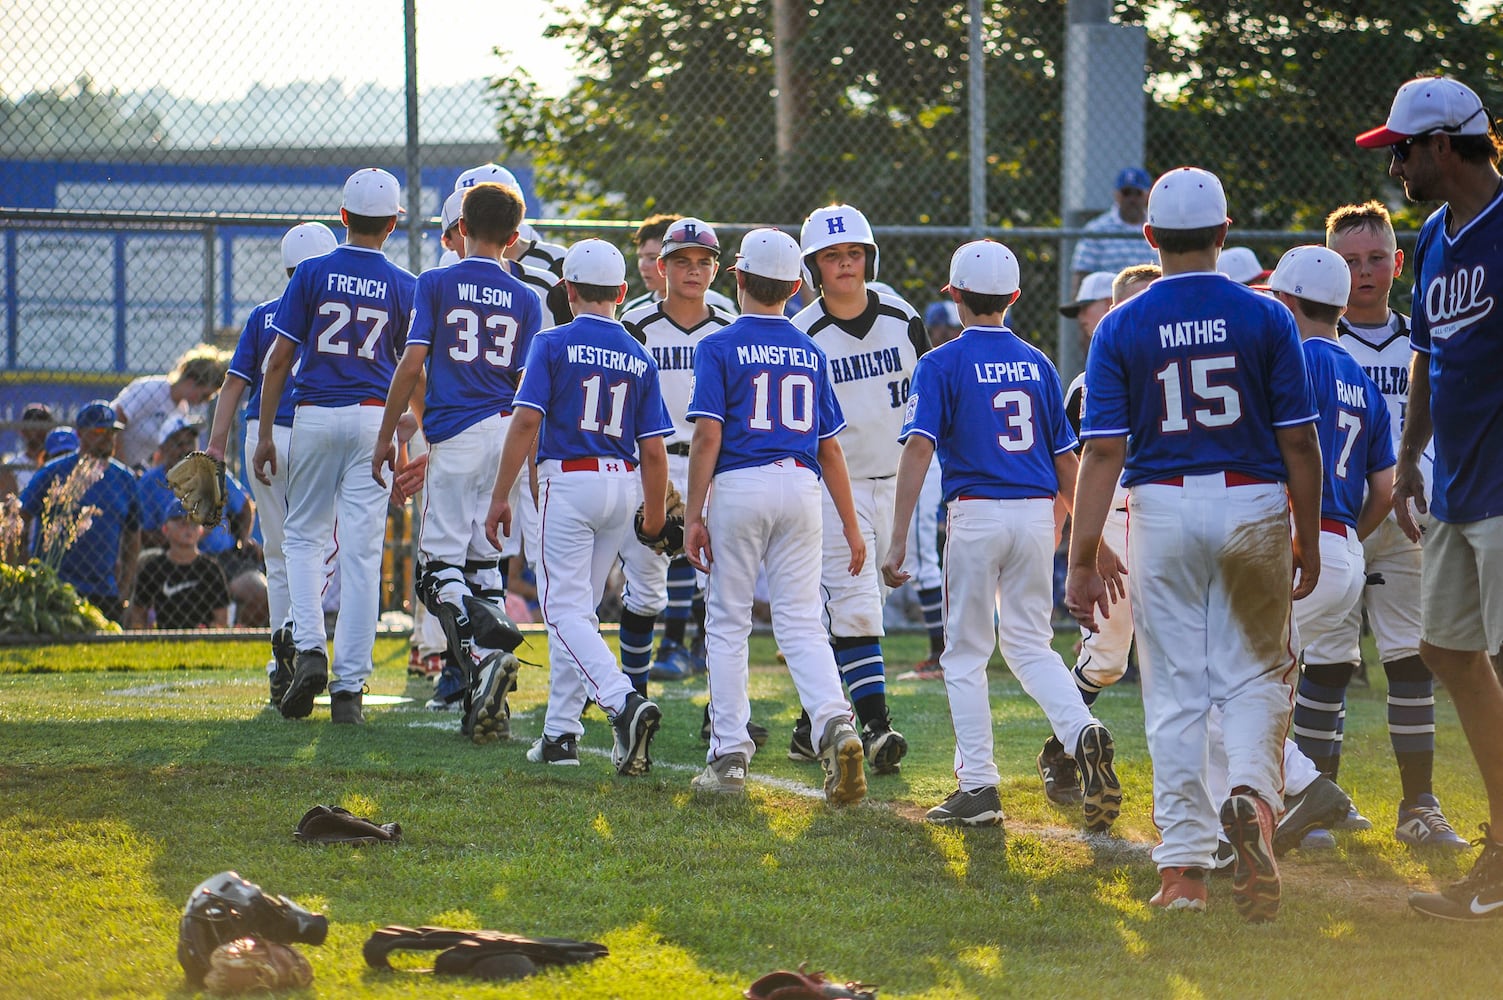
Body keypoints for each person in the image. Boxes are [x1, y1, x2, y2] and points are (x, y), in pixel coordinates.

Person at [1066, 166, 1322, 921]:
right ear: (1222, 233)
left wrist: (1081, 556)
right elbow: (1298, 442)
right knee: (1255, 677)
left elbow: (1103, 452)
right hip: (1249, 500)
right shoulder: (1266, 316)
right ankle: (1249, 795)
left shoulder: (1120, 324)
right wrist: (1305, 530)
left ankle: (1182, 870)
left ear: (1148, 237)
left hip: (1160, 507)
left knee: (1174, 692)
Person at [882, 239, 1120, 834]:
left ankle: (978, 786)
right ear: (1014, 297)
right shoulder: (1039, 363)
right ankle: (1080, 728)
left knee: (964, 655)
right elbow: (1070, 461)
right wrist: (1086, 539)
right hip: (1038, 513)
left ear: (956, 297)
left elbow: (919, 447)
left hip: (977, 513)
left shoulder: (940, 362)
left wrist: (896, 538)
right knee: (1030, 646)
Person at [1356, 76, 1503, 920]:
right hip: (1454, 484)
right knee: (1448, 652)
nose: (1395, 166)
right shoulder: (1439, 235)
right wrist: (1410, 453)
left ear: (1443, 145)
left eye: (1401, 151)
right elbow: (1425, 353)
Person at [683, 228, 867, 805]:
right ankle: (836, 721)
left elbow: (709, 434)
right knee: (801, 621)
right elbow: (831, 447)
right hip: (802, 485)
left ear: (736, 278)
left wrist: (693, 513)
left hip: (741, 482)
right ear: (797, 285)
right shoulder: (811, 349)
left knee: (729, 622)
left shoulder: (717, 344)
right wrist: (853, 525)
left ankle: (730, 753)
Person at [483, 238, 669, 775]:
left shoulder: (552, 340)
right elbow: (652, 449)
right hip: (622, 483)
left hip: (570, 480)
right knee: (578, 616)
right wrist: (653, 517)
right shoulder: (638, 352)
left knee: (563, 613)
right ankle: (561, 734)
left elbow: (525, 421)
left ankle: (622, 701)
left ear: (566, 290)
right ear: (623, 292)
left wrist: (500, 496)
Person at [375, 181, 542, 745]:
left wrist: (387, 433)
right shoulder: (525, 296)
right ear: (515, 240)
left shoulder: (438, 280)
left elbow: (413, 361)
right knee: (485, 563)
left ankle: (480, 654)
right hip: (506, 429)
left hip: (458, 430)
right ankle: (487, 687)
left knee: (435, 571)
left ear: (460, 230)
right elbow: (528, 385)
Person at [1326, 199, 1468, 850]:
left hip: (1406, 519)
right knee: (1321, 663)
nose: (1363, 272)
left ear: (1397, 261)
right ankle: (1316, 800)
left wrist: (1422, 484)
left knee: (1409, 661)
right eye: (1349, 261)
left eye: (1375, 258)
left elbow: (1444, 423)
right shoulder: (1315, 342)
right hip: (1334, 517)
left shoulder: (1421, 340)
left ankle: (1418, 805)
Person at [255, 167, 418, 726]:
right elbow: (410, 369)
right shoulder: (405, 284)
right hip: (375, 418)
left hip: (317, 413)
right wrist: (407, 434)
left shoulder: (314, 271)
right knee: (362, 555)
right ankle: (349, 688)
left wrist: (262, 434)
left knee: (302, 537)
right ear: (393, 223)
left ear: (342, 216)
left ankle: (310, 649)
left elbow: (279, 359)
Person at [1267, 245, 1401, 847]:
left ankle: (1310, 788)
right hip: (1345, 546)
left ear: (1288, 301)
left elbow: (1283, 454)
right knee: (1272, 689)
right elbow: (1385, 487)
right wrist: (1348, 539)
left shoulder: (1291, 363)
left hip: (1299, 545)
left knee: (1222, 686)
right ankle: (1303, 811)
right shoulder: (1363, 379)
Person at [789, 203, 929, 774]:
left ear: (868, 257)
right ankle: (875, 727)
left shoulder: (901, 314)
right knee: (853, 603)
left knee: (868, 600)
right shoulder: (804, 332)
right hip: (835, 485)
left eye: (853, 254)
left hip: (898, 477)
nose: (845, 265)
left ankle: (810, 723)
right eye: (831, 256)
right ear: (813, 266)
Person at [1039, 264, 1159, 807]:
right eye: (1126, 306)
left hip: (1164, 517)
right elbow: (1069, 472)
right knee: (1108, 658)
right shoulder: (1088, 385)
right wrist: (1073, 547)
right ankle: (1062, 749)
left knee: (1177, 659)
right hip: (1109, 522)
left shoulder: (1176, 365)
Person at [207, 221, 339, 699]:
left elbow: (235, 385)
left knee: (280, 551)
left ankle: (281, 658)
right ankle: (301, 643)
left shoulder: (265, 313)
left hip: (260, 436)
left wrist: (215, 448)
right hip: (314, 434)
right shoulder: (339, 307)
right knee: (316, 549)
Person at [617, 218, 735, 690]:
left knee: (722, 590)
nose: (693, 271)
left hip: (713, 464)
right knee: (644, 589)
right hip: (653, 462)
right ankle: (633, 699)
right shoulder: (635, 324)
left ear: (716, 269)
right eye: (682, 261)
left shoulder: (729, 326)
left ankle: (720, 711)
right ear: (661, 266)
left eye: (703, 262)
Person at [18, 400, 142, 623]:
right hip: (54, 585)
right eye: (99, 431)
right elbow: (22, 516)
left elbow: (133, 537)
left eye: (112, 431)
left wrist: (124, 587)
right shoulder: (54, 471)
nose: (107, 437)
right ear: (81, 434)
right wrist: (24, 567)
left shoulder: (125, 479)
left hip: (104, 590)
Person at [893, 301, 964, 680]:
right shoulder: (923, 360)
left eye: (951, 329)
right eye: (941, 330)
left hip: (926, 458)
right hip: (905, 460)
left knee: (921, 560)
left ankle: (940, 652)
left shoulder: (942, 364)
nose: (947, 336)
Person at [111, 345, 229, 470]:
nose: (204, 401)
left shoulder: (181, 410)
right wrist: (121, 467)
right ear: (191, 382)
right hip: (110, 461)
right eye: (204, 395)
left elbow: (162, 452)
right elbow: (116, 419)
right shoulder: (152, 390)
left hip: (133, 467)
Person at [130, 503, 230, 629]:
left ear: (201, 531)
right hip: (164, 640)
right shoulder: (154, 568)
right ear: (165, 529)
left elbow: (221, 619)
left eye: (194, 523)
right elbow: (138, 614)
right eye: (182, 523)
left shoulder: (210, 569)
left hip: (202, 640)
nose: (189, 528)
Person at [624, 213, 738, 316]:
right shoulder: (634, 313)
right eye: (640, 257)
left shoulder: (720, 307)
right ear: (662, 265)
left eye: (652, 258)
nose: (643, 266)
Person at [1070, 166, 1157, 292]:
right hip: (1109, 304)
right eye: (1126, 193)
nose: (1131, 199)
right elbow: (1081, 275)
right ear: (1116, 194)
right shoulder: (1097, 230)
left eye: (1137, 193)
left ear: (1148, 194)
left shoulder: (1157, 228)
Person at [1, 402, 55, 496]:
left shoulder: (57, 463)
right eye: (34, 426)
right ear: (23, 431)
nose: (39, 431)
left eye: (43, 426)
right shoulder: (12, 468)